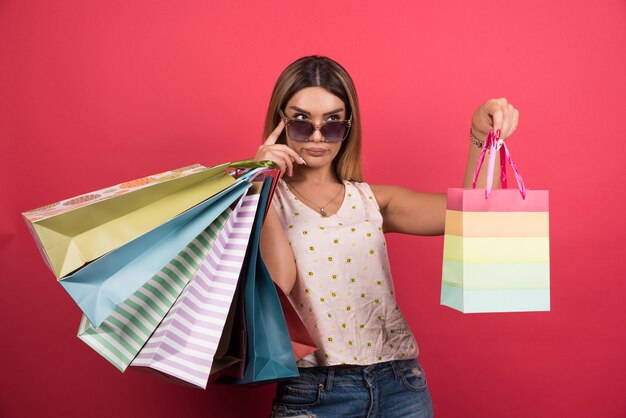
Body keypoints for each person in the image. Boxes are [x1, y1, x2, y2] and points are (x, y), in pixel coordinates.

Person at [254, 56, 518, 418]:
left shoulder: (371, 200)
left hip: (400, 385)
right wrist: (260, 184)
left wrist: (479, 135)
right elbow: (277, 285)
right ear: (279, 124)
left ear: (348, 127)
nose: (317, 136)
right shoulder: (256, 200)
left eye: (332, 123)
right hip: (313, 392)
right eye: (301, 123)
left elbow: (473, 216)